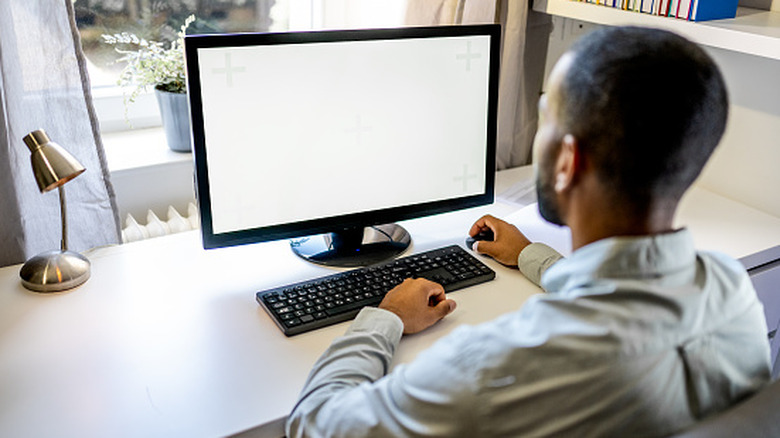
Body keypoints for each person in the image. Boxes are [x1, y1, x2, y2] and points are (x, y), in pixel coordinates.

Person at [285, 26, 772, 437]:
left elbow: (313, 423)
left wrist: (385, 318)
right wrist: (530, 257)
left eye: (545, 118)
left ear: (567, 160)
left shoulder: (495, 366)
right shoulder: (733, 291)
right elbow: (621, 295)